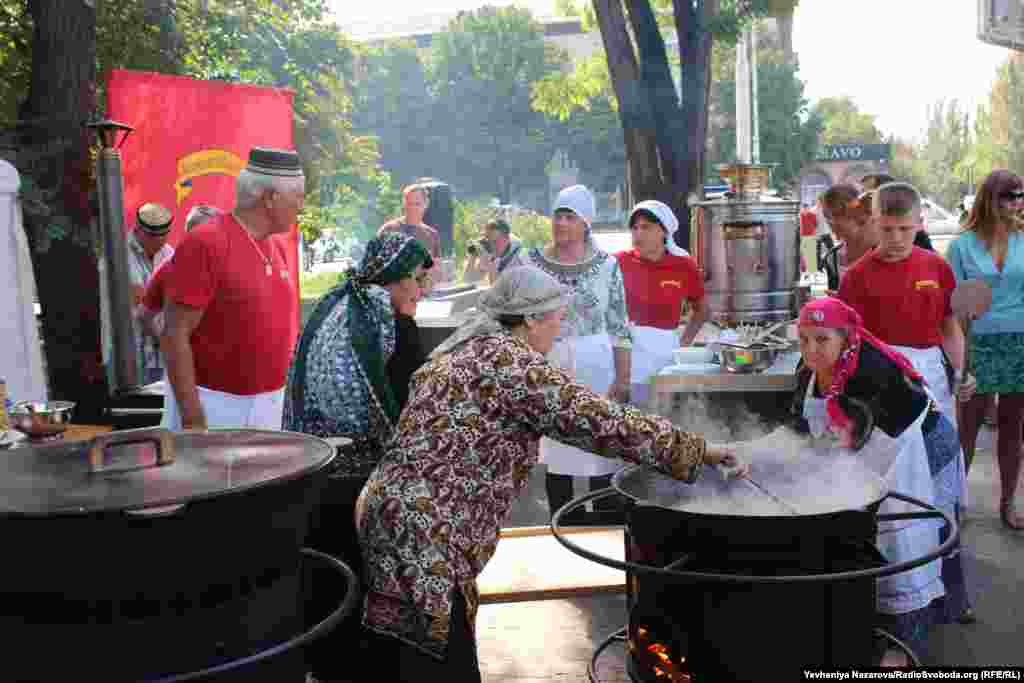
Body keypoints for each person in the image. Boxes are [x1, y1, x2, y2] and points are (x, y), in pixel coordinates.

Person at [354, 265, 743, 682]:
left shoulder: (466, 350)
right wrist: (701, 451)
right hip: (426, 532)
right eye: (557, 316)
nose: (560, 327)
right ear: (531, 318)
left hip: (385, 510)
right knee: (438, 667)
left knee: (399, 658)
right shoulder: (514, 365)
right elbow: (602, 421)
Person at [283, 232, 432, 682]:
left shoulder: (336, 301)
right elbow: (409, 401)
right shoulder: (386, 316)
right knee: (367, 578)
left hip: (317, 469)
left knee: (331, 575)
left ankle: (327, 665)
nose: (420, 292)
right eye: (417, 280)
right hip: (365, 477)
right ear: (393, 279)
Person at [790, 297, 967, 666]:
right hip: (874, 453)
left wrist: (827, 490)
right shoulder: (807, 372)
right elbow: (801, 428)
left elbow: (884, 451)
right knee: (876, 536)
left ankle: (906, 645)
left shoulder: (874, 373)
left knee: (910, 540)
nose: (811, 350)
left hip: (921, 451)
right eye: (804, 339)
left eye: (822, 340)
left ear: (845, 337)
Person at [505, 184, 633, 524]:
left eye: (569, 216)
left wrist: (622, 379)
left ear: (586, 223)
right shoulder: (529, 262)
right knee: (556, 450)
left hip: (596, 365)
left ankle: (605, 527)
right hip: (547, 364)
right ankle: (561, 524)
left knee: (599, 446)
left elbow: (620, 326)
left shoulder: (608, 266)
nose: (560, 223)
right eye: (557, 215)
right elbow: (509, 313)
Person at [161, 147, 303, 431]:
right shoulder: (207, 243)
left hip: (270, 404)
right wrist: (193, 417)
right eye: (297, 196)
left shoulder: (276, 246)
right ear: (270, 198)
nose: (301, 206)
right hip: (214, 406)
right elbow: (174, 334)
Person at [837, 182, 966, 427]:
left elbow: (949, 327)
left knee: (936, 449)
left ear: (920, 222)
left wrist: (961, 370)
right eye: (887, 230)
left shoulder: (937, 267)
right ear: (874, 223)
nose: (896, 238)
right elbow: (845, 340)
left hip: (931, 371)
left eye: (905, 229)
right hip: (879, 376)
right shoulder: (856, 277)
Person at [945, 169, 1024, 529]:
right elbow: (954, 306)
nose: (1015, 203)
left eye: (1020, 195)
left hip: (1019, 342)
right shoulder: (961, 245)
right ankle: (956, 503)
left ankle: (1008, 504)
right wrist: (960, 359)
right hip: (976, 344)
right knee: (968, 429)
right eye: (1008, 196)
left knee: (1013, 429)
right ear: (988, 200)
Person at [615, 200, 707, 407]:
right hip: (627, 354)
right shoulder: (617, 262)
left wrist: (683, 344)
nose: (638, 233)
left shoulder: (684, 265)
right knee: (630, 418)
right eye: (635, 228)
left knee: (662, 418)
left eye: (646, 227)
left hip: (665, 354)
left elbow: (701, 310)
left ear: (664, 232)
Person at [128, 202, 175, 384]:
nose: (159, 246)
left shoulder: (168, 253)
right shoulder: (123, 254)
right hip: (134, 352)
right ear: (139, 231)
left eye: (163, 239)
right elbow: (142, 305)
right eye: (154, 241)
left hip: (161, 352)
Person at [379, 184, 442, 289]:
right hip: (395, 297)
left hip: (423, 297)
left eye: (417, 204)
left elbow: (438, 272)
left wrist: (434, 271)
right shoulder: (389, 229)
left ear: (426, 204)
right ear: (404, 204)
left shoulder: (432, 235)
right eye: (409, 203)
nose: (412, 208)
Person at [482, 218, 522, 282]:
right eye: (488, 239)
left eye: (495, 241)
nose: (492, 245)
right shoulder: (490, 253)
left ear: (507, 238)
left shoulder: (520, 253)